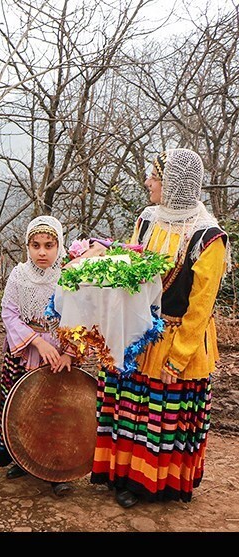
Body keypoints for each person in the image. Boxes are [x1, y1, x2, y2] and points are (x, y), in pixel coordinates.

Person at [91, 148, 229, 508]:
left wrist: (177, 358)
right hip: (138, 332)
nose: (148, 182)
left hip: (176, 339)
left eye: (155, 177)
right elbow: (132, 270)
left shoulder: (208, 237)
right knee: (129, 407)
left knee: (161, 412)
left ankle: (152, 484)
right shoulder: (148, 220)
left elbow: (200, 309)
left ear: (173, 185)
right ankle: (123, 475)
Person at [0, 215, 74, 497]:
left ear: (59, 246)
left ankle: (56, 468)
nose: (42, 252)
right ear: (27, 247)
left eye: (49, 245)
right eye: (35, 245)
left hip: (57, 356)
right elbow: (9, 313)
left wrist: (69, 354)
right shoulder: (18, 275)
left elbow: (81, 318)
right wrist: (38, 343)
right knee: (22, 408)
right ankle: (22, 457)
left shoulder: (68, 277)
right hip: (24, 351)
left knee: (54, 411)